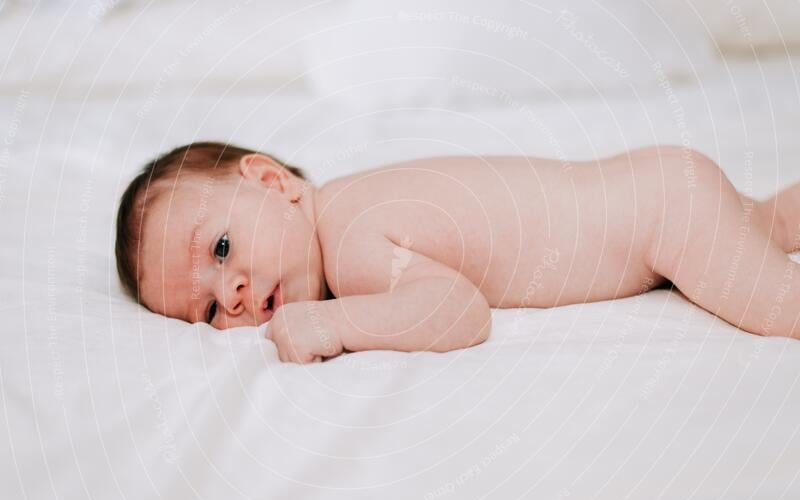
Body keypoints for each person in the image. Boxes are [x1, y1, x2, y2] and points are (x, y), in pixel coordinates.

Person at [115, 141, 800, 363]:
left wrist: (334, 323)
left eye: (223, 248)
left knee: (778, 306)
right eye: (206, 311)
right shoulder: (351, 203)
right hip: (660, 185)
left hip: (665, 221)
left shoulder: (352, 245)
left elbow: (458, 311)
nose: (230, 293)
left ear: (272, 183)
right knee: (765, 226)